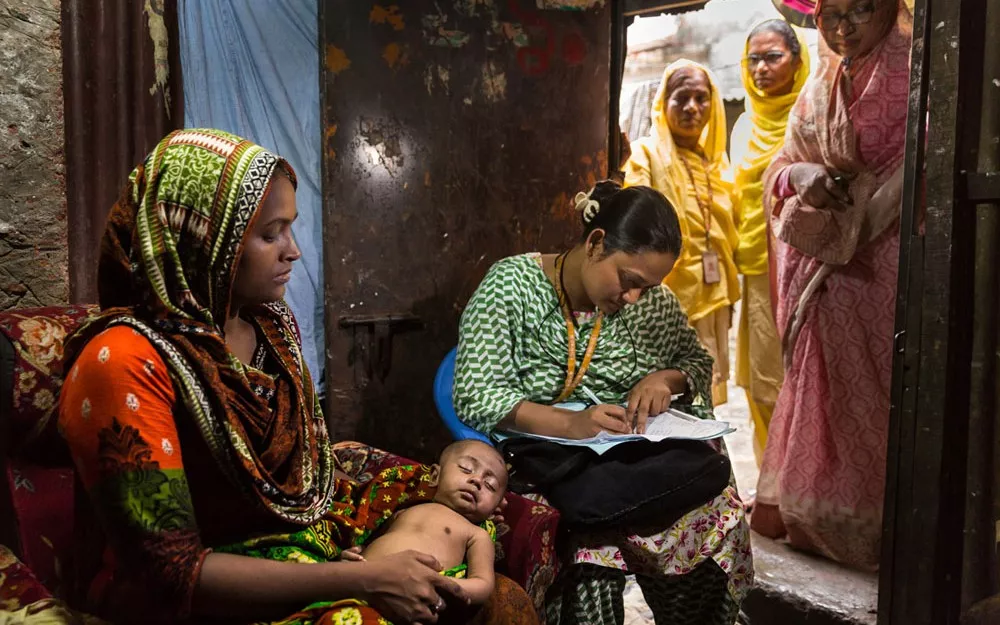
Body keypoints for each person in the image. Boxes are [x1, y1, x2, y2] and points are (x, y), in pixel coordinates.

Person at [56, 128, 537, 625]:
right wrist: (364, 579)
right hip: (197, 598)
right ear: (201, 243)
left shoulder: (268, 324)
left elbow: (304, 474)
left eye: (291, 228)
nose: (294, 252)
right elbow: (170, 574)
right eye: (270, 234)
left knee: (501, 598)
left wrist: (445, 511)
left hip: (301, 545)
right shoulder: (124, 364)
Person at [454, 181, 753, 625]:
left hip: (632, 454)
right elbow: (476, 394)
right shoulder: (511, 287)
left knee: (710, 508)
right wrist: (571, 425)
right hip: (547, 457)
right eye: (629, 281)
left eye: (646, 289)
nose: (633, 298)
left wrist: (663, 380)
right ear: (595, 244)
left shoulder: (652, 306)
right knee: (586, 547)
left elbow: (694, 360)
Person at [751, 0, 912, 569]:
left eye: (859, 11)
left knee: (882, 396)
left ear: (891, 7)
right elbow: (783, 164)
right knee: (826, 396)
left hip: (890, 269)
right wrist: (803, 177)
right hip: (823, 275)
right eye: (829, 16)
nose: (842, 29)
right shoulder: (823, 80)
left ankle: (876, 529)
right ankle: (816, 516)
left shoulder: (919, 71)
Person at [622, 60, 740, 407]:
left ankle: (706, 449)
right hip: (664, 302)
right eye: (681, 98)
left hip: (712, 298)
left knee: (704, 391)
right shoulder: (645, 155)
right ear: (663, 103)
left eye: (701, 98)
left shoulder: (715, 162)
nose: (692, 108)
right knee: (665, 394)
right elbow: (637, 231)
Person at [730, 20, 811, 465]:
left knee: (802, 375)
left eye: (773, 56)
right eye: (754, 59)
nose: (762, 68)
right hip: (756, 269)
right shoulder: (744, 124)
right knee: (761, 379)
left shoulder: (810, 111)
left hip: (803, 266)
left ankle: (804, 478)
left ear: (797, 61)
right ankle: (772, 476)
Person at [341, 440, 508, 606]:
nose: (477, 481)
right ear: (435, 476)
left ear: (493, 510)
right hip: (359, 585)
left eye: (490, 485)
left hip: (408, 601)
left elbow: (482, 585)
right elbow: (372, 541)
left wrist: (437, 583)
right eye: (466, 469)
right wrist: (355, 554)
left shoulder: (477, 534)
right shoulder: (405, 510)